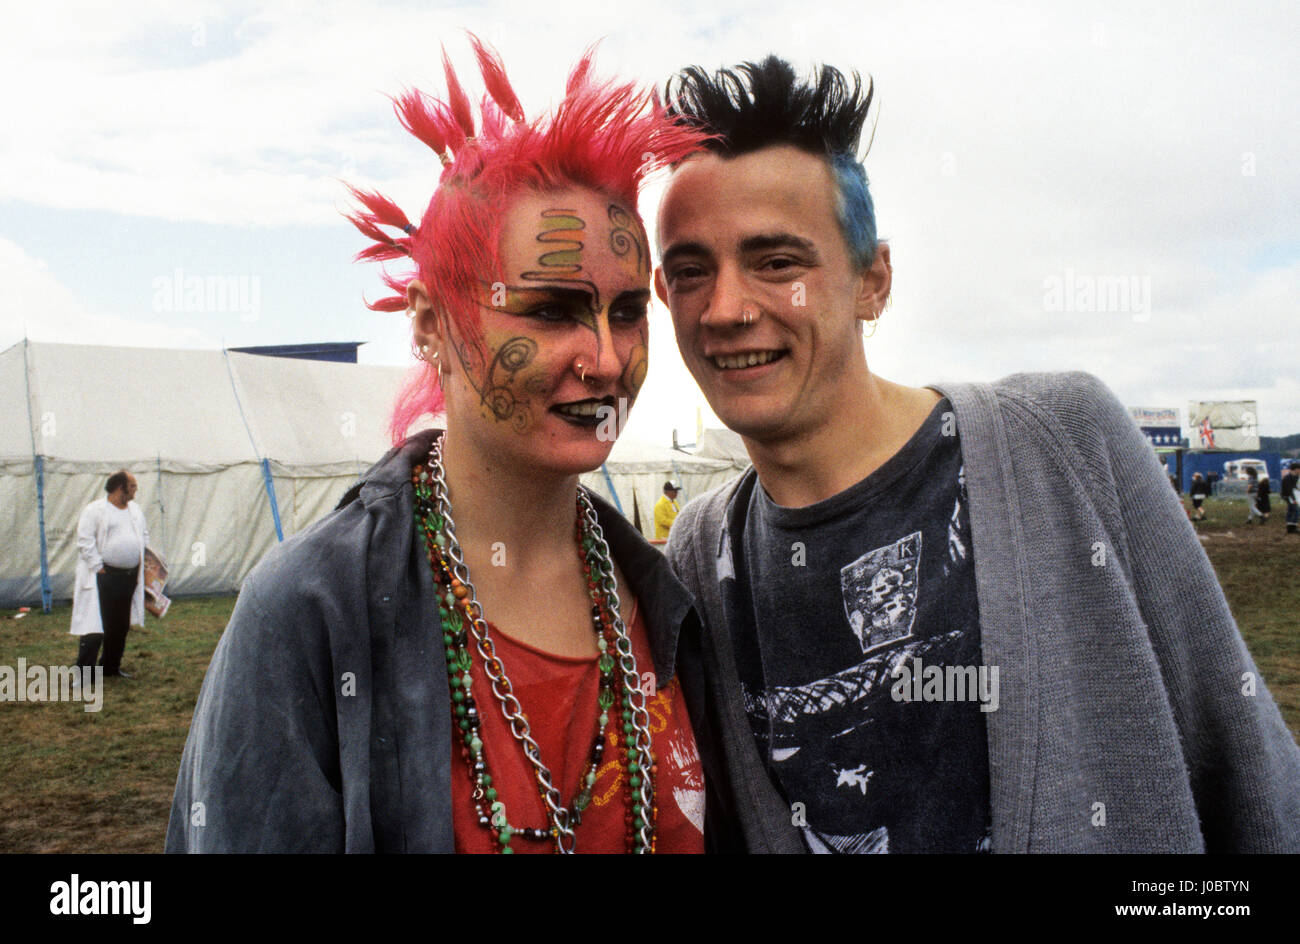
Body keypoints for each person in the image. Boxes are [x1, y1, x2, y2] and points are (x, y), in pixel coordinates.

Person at [653, 55, 1300, 852]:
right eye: (691, 272)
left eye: (777, 262)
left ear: (873, 280)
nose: (724, 309)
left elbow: (1254, 780)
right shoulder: (697, 555)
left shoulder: (1060, 441)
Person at [166, 40, 728, 853]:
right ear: (431, 323)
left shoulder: (669, 602)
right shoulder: (311, 614)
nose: (606, 359)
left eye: (627, 311)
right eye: (549, 310)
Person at [70, 469, 148, 679]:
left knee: (120, 624)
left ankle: (110, 667)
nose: (135, 490)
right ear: (120, 487)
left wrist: (143, 559)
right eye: (132, 486)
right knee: (95, 625)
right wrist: (99, 567)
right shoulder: (95, 510)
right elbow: (85, 541)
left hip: (129, 576)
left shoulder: (135, 510)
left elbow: (143, 535)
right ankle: (85, 672)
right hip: (105, 576)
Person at [1283, 462, 1300, 534]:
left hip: (1291, 495)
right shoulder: (1288, 478)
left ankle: (1290, 528)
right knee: (1296, 511)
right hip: (1289, 496)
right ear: (1295, 469)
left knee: (1291, 511)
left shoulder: (1294, 477)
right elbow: (1288, 490)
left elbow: (1294, 487)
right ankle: (1292, 528)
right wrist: (1293, 499)